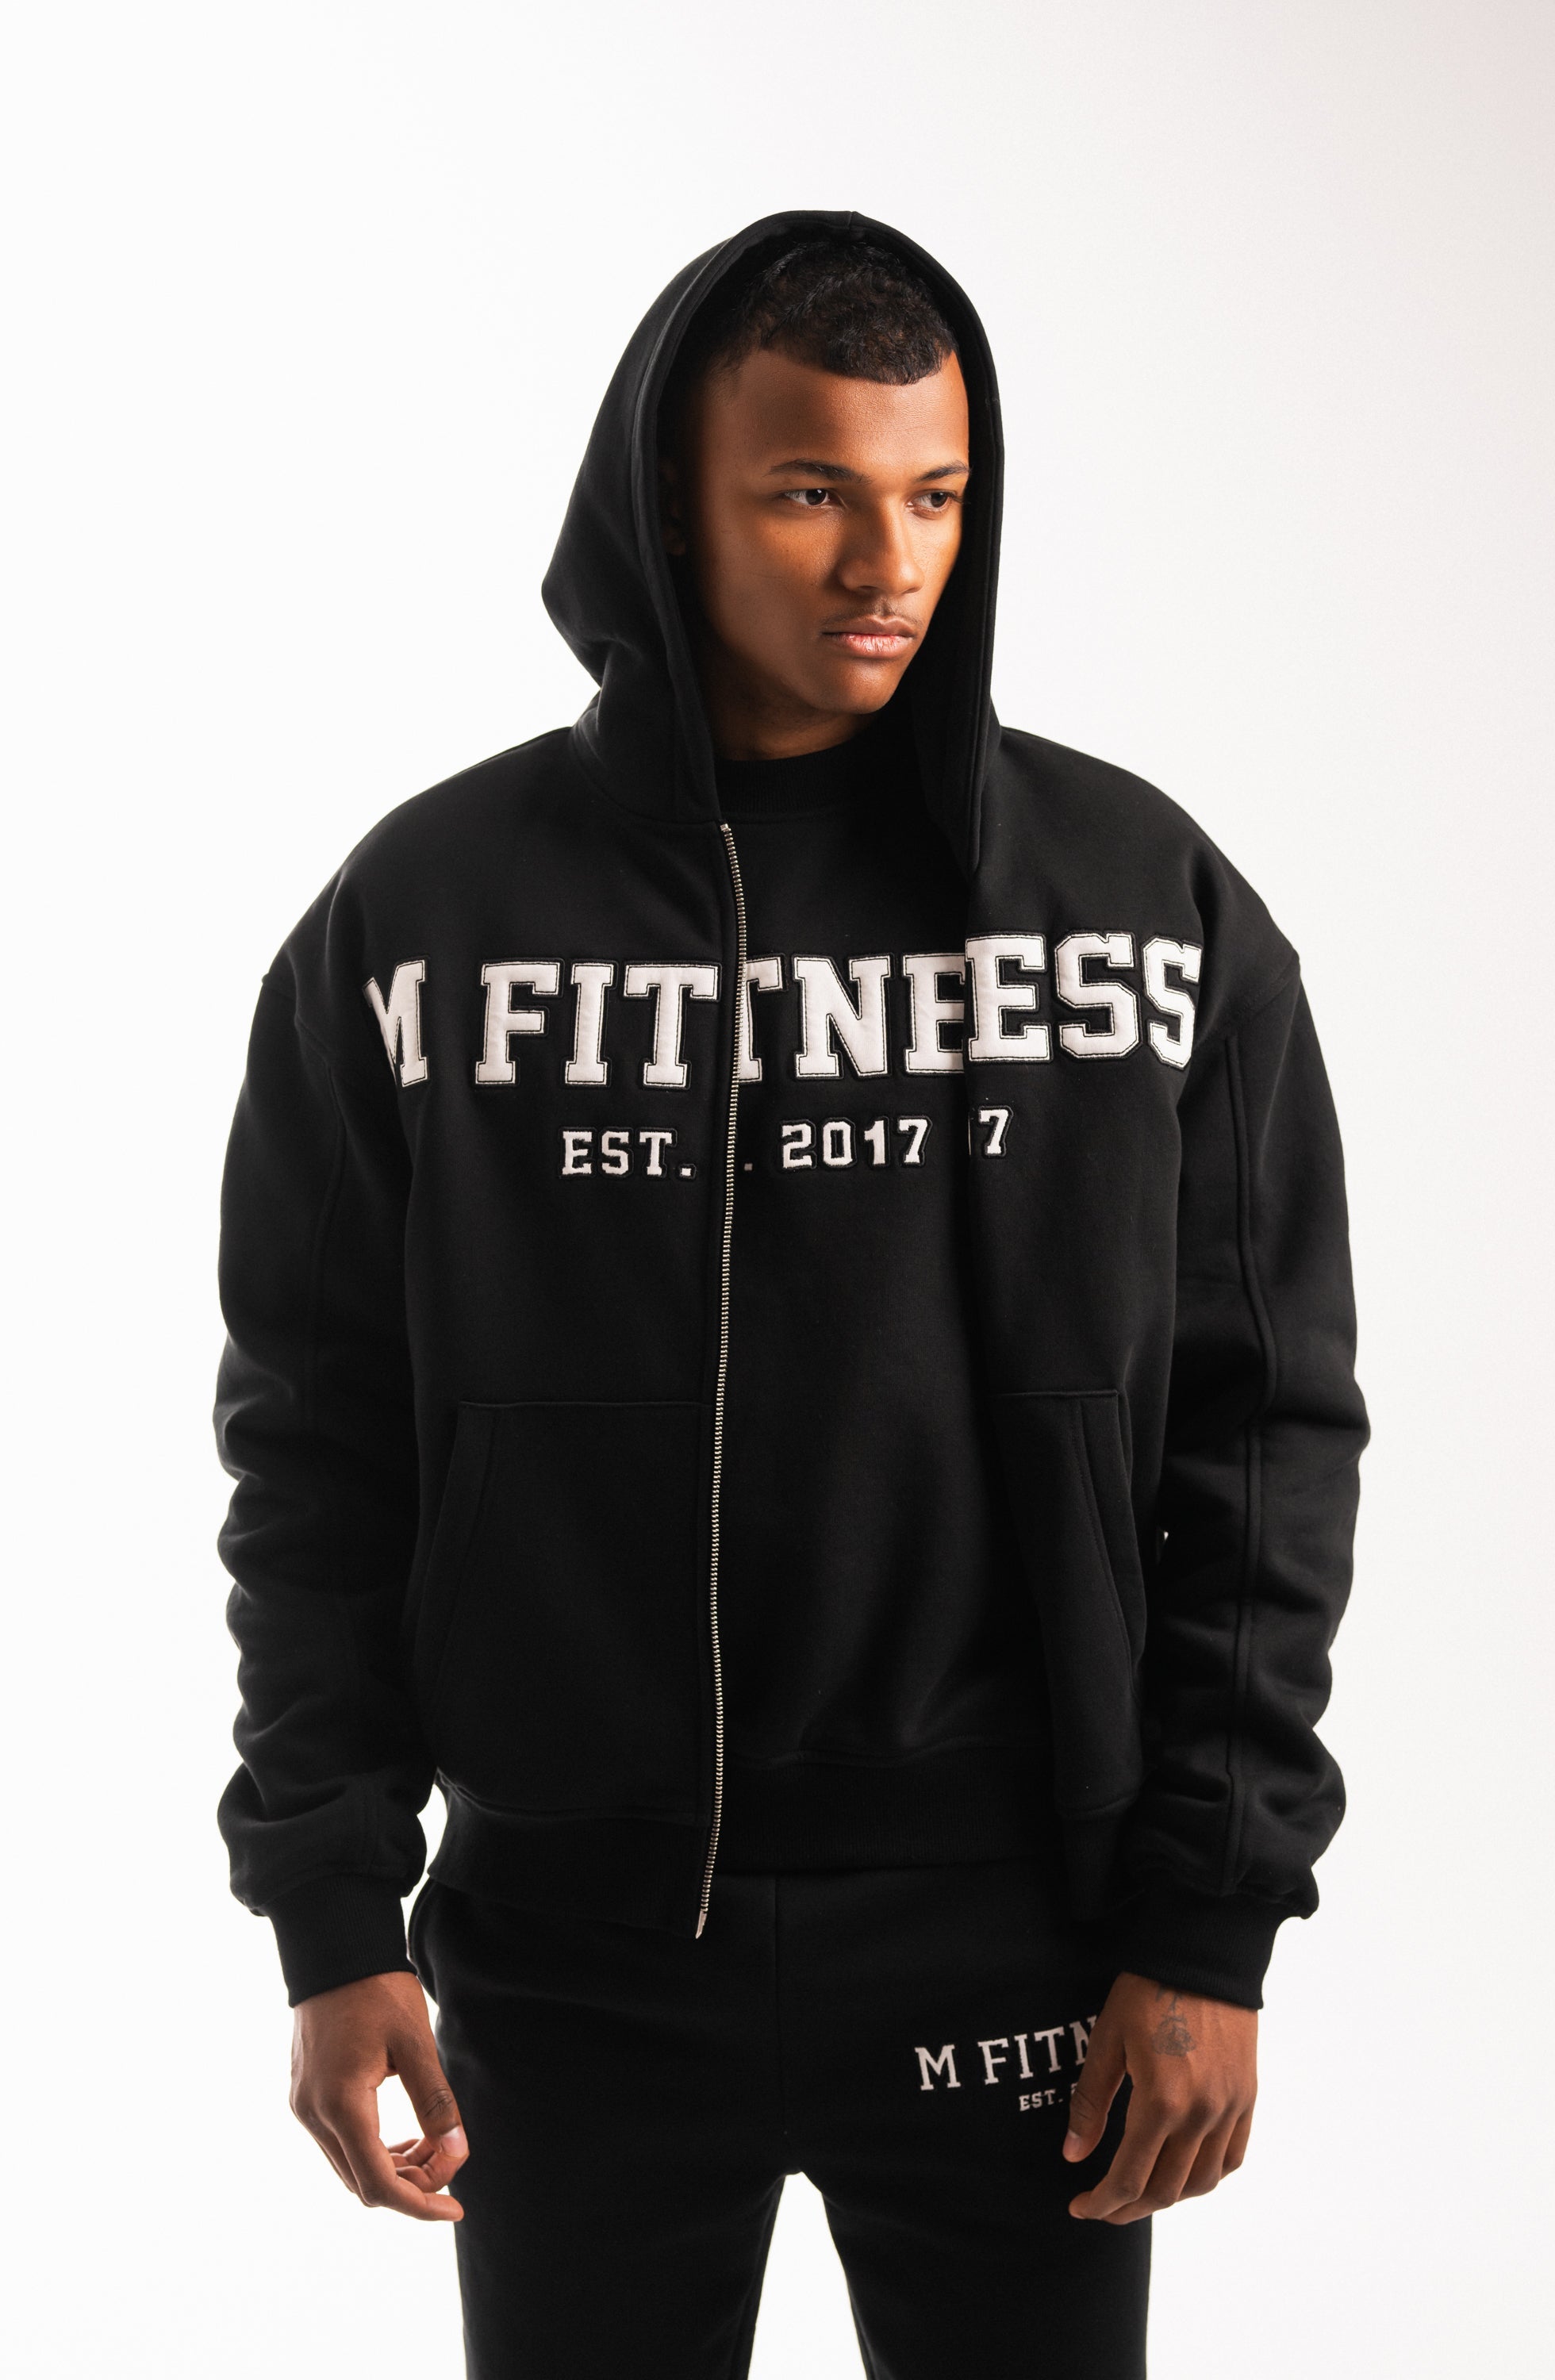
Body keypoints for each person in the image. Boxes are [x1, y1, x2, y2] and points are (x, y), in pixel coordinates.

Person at [216, 211, 1367, 2378]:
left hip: (1023, 1947)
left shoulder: (1142, 909)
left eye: (935, 495)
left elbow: (1264, 1433)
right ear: (673, 497)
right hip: (568, 1947)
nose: (885, 564)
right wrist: (333, 1907)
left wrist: (1212, 1918)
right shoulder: (428, 918)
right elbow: (317, 1437)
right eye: (812, 490)